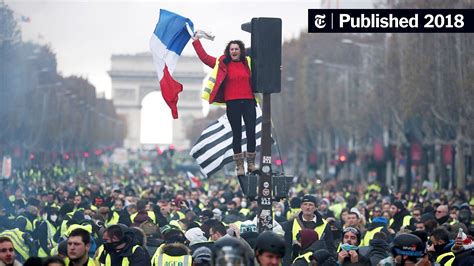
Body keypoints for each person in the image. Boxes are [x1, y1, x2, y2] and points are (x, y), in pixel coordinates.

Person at [192, 33, 257, 176]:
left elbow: (265, 66)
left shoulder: (249, 62)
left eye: (236, 49)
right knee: (237, 134)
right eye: (231, 49)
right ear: (229, 51)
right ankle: (239, 166)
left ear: (241, 51)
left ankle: (251, 164)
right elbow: (205, 58)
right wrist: (196, 42)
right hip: (232, 102)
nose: (234, 51)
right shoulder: (221, 64)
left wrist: (277, 68)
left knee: (251, 132)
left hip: (248, 101)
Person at [283, 195, 335, 264]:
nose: (307, 207)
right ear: (301, 206)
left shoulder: (325, 225)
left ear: (316, 207)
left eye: (310, 205)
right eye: (305, 204)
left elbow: (329, 247)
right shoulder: (292, 223)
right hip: (296, 262)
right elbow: (287, 247)